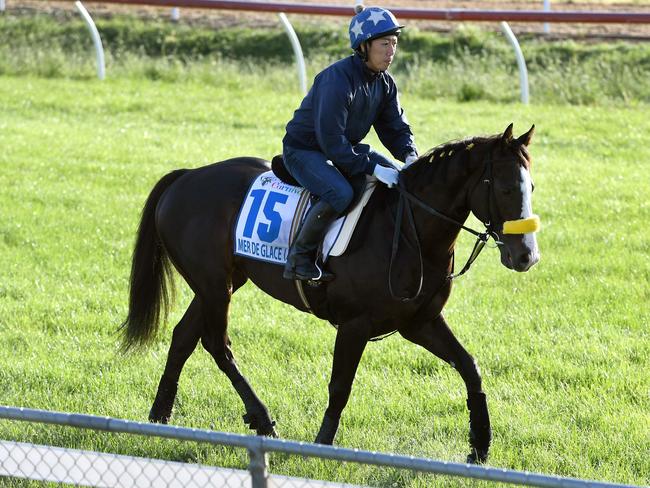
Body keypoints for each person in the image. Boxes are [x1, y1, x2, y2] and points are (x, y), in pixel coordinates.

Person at [282, 5, 418, 282]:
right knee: (340, 193)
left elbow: (394, 127)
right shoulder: (337, 80)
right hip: (304, 150)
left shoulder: (385, 83)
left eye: (394, 43)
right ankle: (300, 258)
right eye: (384, 44)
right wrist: (372, 168)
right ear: (364, 46)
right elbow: (331, 142)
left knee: (401, 181)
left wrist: (409, 155)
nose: (391, 51)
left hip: (344, 149)